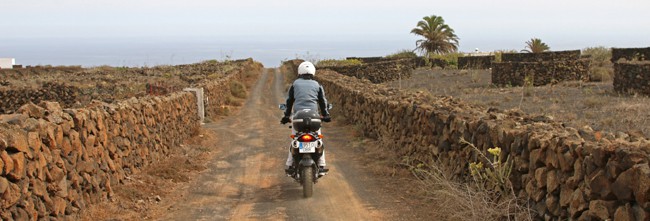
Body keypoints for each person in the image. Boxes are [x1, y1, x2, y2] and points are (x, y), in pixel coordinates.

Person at [281, 61, 331, 176]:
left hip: (298, 118)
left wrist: (286, 116)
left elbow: (289, 101)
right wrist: (326, 115)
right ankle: (322, 164)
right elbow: (323, 102)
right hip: (314, 118)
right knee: (318, 139)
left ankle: (289, 164)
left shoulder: (295, 84)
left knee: (294, 140)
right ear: (313, 72)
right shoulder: (317, 85)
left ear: (300, 72)